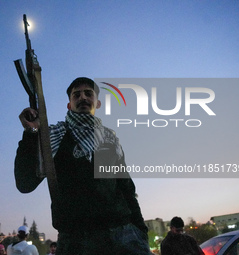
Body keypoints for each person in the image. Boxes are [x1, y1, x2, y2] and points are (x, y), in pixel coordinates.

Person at [15, 77, 150, 255]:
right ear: (69, 105)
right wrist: (31, 133)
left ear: (98, 103)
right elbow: (25, 183)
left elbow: (126, 188)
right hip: (76, 240)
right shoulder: (54, 137)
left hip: (122, 234)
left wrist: (140, 231)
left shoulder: (110, 139)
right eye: (76, 95)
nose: (83, 98)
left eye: (88, 93)